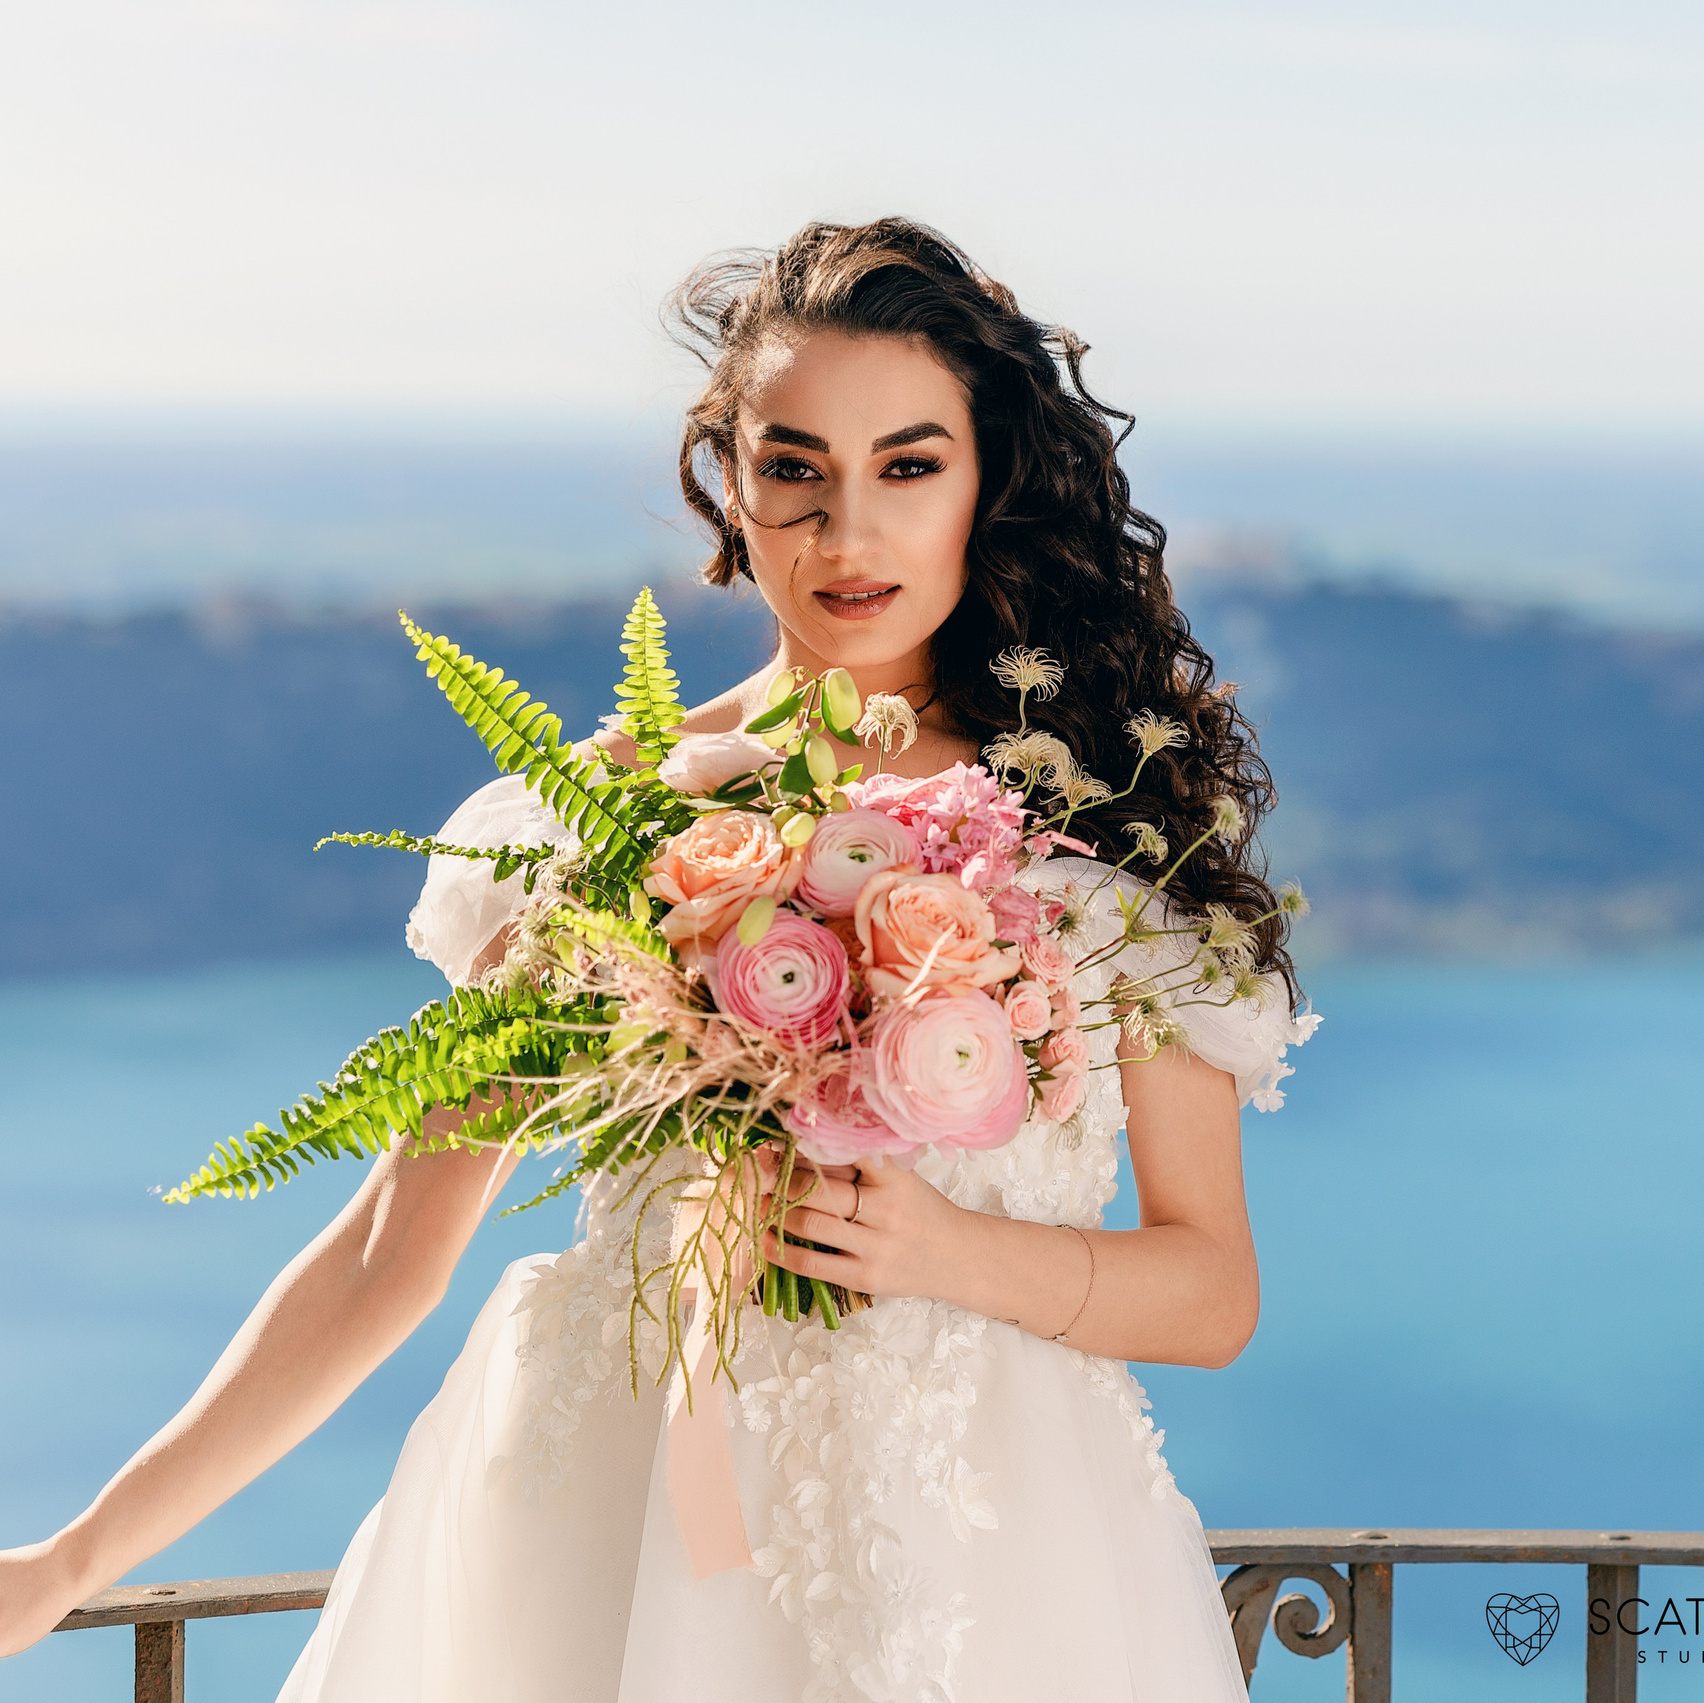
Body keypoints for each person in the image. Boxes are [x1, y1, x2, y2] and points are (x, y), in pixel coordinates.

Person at [0, 218, 1316, 1700]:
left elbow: (1212, 1291)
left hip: (988, 1558)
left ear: (985, 483)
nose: (846, 534)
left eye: (908, 464)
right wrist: (66, 1563)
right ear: (732, 487)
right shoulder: (604, 819)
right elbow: (389, 1251)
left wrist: (954, 1255)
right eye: (794, 469)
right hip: (609, 1543)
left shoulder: (1103, 836)